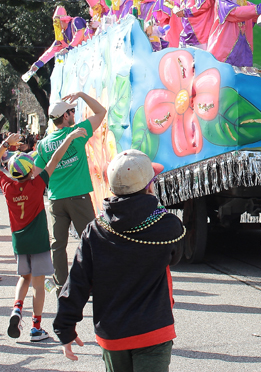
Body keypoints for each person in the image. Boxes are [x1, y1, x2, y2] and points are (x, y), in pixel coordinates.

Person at [54, 149, 184, 371]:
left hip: (112, 333)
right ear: (149, 186)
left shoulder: (95, 230)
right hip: (153, 329)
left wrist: (65, 328)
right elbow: (176, 257)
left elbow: (77, 282)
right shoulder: (168, 226)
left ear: (112, 189)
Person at [0, 128, 87, 342]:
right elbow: (55, 158)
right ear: (30, 171)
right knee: (39, 285)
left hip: (19, 241)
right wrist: (69, 138)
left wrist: (5, 143)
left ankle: (16, 309)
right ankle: (36, 327)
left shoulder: (8, 186)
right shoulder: (37, 183)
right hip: (39, 241)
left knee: (24, 278)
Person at [34, 92, 106, 286]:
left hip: (56, 199)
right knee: (91, 241)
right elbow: (101, 112)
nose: (74, 114)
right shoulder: (78, 133)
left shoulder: (43, 144)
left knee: (58, 245)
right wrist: (82, 95)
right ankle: (93, 282)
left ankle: (61, 285)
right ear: (65, 116)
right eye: (72, 111)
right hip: (78, 197)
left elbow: (36, 173)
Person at [25, 6, 87, 80]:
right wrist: (37, 64)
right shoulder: (61, 37)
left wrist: (69, 47)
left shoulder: (76, 21)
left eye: (57, 22)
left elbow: (80, 33)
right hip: (80, 61)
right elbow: (51, 51)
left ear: (63, 20)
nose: (57, 26)